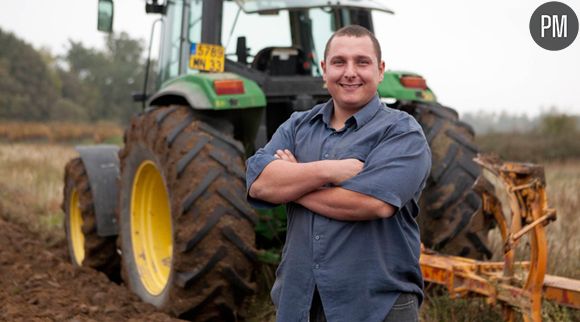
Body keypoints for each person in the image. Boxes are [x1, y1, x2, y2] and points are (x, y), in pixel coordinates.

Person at [245, 25, 431, 322]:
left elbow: (371, 203)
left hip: (375, 306)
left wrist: (294, 184)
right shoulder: (297, 126)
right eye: (339, 62)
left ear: (380, 70)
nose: (350, 72)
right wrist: (329, 170)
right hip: (299, 305)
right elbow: (259, 185)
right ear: (324, 69)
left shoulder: (402, 133)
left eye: (362, 62)